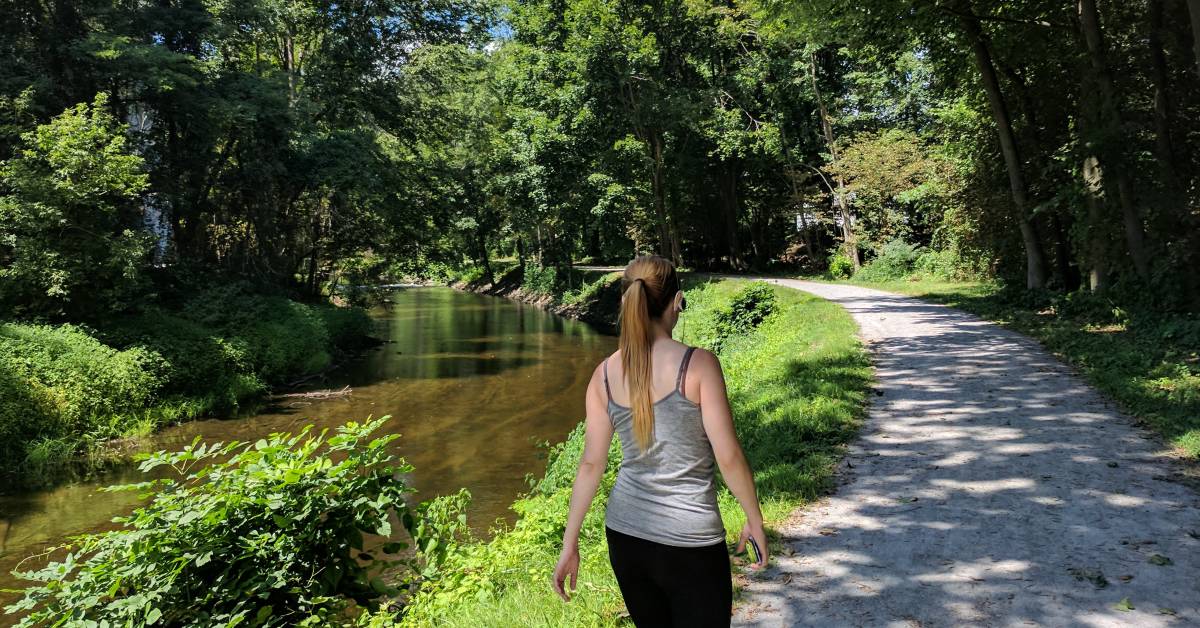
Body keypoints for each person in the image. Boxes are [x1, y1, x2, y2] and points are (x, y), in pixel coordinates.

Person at [552, 255, 768, 627]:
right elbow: (728, 456)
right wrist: (754, 519)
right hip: (691, 539)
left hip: (626, 535)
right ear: (677, 302)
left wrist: (569, 544)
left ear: (625, 302)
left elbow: (591, 464)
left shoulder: (603, 375)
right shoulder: (698, 365)